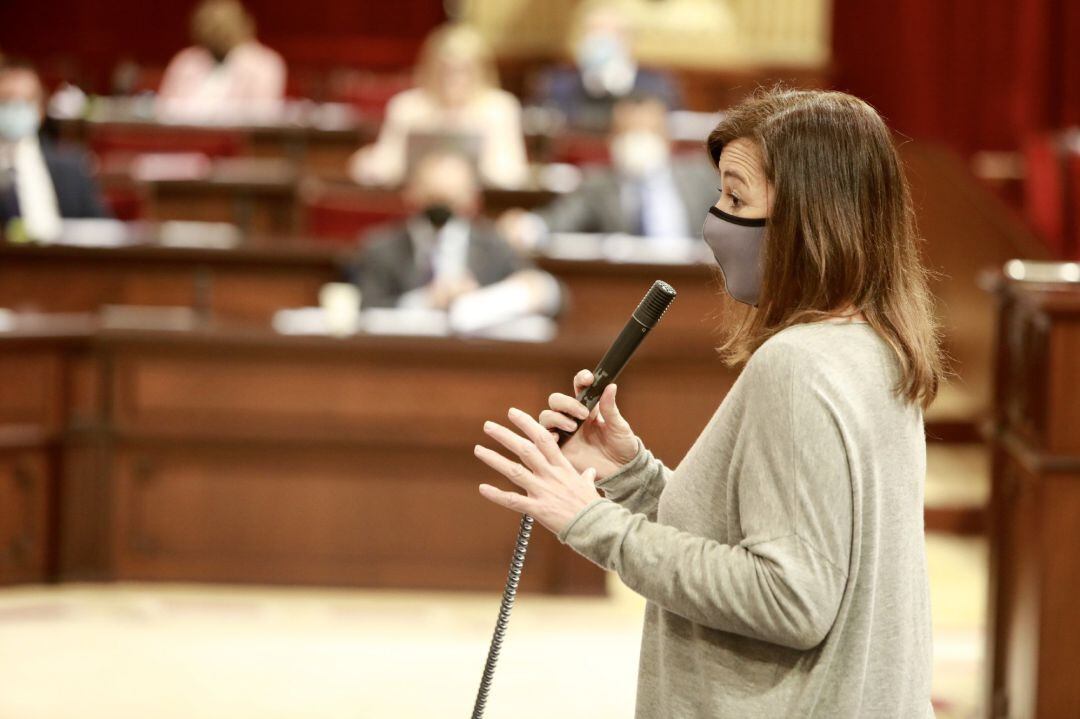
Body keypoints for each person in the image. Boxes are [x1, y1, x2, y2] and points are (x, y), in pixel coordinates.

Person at [474, 88, 942, 717]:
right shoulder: (878, 344)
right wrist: (629, 475)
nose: (714, 219)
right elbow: (780, 538)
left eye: (736, 197)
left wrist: (591, 521)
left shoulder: (798, 365)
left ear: (812, 215)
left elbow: (790, 598)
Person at [353, 149, 559, 330]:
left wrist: (525, 291)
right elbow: (365, 310)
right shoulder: (381, 247)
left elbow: (553, 297)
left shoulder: (494, 245)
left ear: (471, 198)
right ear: (411, 193)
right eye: (433, 199)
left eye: (450, 201)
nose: (441, 214)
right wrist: (426, 300)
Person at [501, 94, 715, 247]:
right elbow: (559, 220)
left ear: (667, 139)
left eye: (648, 131)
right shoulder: (596, 184)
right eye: (629, 131)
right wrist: (526, 227)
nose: (639, 140)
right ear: (612, 139)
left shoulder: (700, 178)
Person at [348, 24, 529, 190]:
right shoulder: (407, 106)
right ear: (429, 68)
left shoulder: (500, 108)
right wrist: (367, 163)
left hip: (480, 211)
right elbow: (385, 167)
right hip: (416, 208)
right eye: (444, 70)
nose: (453, 80)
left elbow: (512, 175)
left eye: (463, 70)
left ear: (481, 70)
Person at [532, 0, 681, 133]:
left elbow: (678, 129)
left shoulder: (657, 86)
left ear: (628, 39)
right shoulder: (557, 85)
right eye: (591, 32)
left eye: (608, 32)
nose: (598, 40)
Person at [0, 61, 110, 241]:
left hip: (67, 265)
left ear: (41, 109)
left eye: (25, 101)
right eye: (6, 100)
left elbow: (104, 232)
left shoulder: (72, 167)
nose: (16, 108)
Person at [157, 0, 286, 122]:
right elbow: (162, 112)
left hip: (235, 142)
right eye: (210, 23)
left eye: (224, 24)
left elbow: (262, 117)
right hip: (184, 139)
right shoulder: (185, 61)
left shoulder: (265, 64)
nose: (217, 30)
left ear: (245, 24)